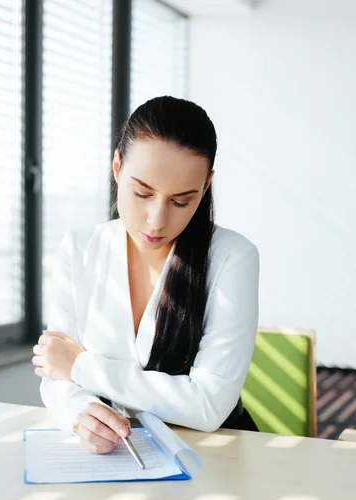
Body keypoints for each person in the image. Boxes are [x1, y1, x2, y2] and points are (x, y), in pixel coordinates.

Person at [32, 95, 260, 455]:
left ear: (206, 185)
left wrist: (81, 365)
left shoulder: (233, 258)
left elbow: (207, 405)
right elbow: (55, 373)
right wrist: (79, 413)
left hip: (213, 455)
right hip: (118, 455)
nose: (157, 221)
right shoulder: (80, 248)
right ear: (118, 166)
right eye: (142, 193)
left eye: (181, 201)